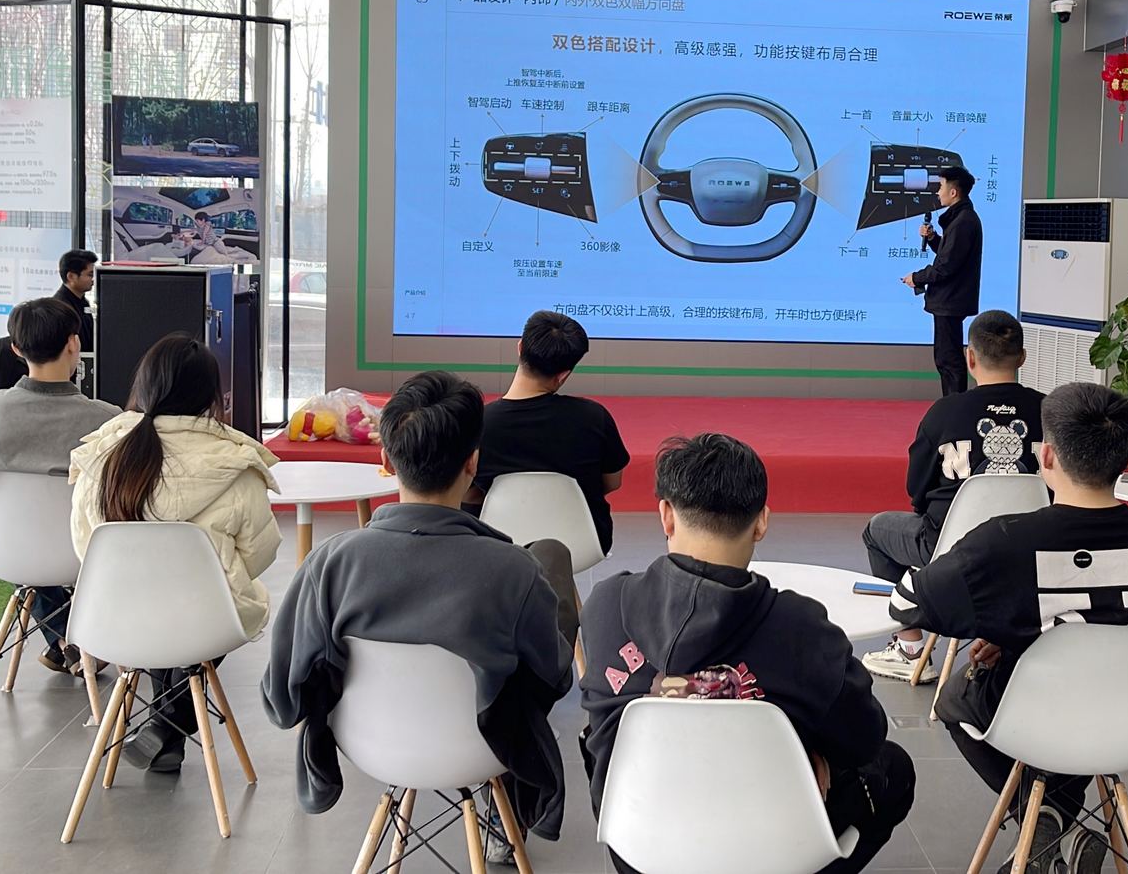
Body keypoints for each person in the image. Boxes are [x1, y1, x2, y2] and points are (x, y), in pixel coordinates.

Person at [262, 369, 577, 846]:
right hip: (483, 749)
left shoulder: (330, 564)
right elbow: (553, 677)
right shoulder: (515, 571)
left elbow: (282, 700)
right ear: (473, 463)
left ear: (386, 460)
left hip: (368, 746)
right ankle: (506, 816)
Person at [578, 433, 916, 874]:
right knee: (893, 769)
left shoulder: (605, 605)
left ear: (666, 516)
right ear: (761, 523)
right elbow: (864, 736)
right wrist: (813, 756)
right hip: (775, 847)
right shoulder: (803, 628)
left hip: (637, 841)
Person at [889, 383, 1128, 874]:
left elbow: (908, 604)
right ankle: (1062, 828)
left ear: (1046, 456)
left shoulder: (1005, 540)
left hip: (1033, 710)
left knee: (956, 699)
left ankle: (1044, 818)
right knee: (1075, 693)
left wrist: (1007, 632)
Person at [70, 333, 281, 773]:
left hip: (117, 614)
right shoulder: (234, 463)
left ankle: (164, 727)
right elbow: (259, 556)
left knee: (156, 610)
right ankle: (168, 724)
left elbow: (85, 547)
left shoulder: (102, 456)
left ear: (144, 386)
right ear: (212, 395)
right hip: (205, 618)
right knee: (213, 606)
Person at [861, 309, 1046, 684]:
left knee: (876, 532)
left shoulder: (944, 412)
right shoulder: (1051, 411)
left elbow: (917, 488)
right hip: (1034, 552)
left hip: (950, 551)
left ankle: (910, 646)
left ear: (970, 358)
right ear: (1023, 358)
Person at [0, 297, 119, 675]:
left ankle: (64, 641)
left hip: (3, 545)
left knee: (30, 548)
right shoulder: (107, 419)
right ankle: (75, 639)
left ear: (16, 349)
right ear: (74, 343)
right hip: (83, 549)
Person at [472, 310, 631, 554]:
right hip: (583, 544)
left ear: (520, 347)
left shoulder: (478, 422)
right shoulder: (594, 417)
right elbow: (612, 482)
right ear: (563, 374)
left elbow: (468, 492)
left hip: (499, 545)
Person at [902, 166, 983, 397]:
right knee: (946, 358)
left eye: (941, 186)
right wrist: (933, 238)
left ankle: (954, 407)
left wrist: (916, 277)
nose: (938, 192)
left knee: (949, 360)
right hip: (949, 300)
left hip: (950, 300)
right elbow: (951, 256)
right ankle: (952, 406)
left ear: (954, 192)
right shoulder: (960, 219)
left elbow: (946, 267)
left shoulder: (963, 222)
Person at [0, 248, 99, 393]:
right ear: (71, 276)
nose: (93, 280)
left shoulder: (81, 304)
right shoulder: (61, 311)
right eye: (90, 274)